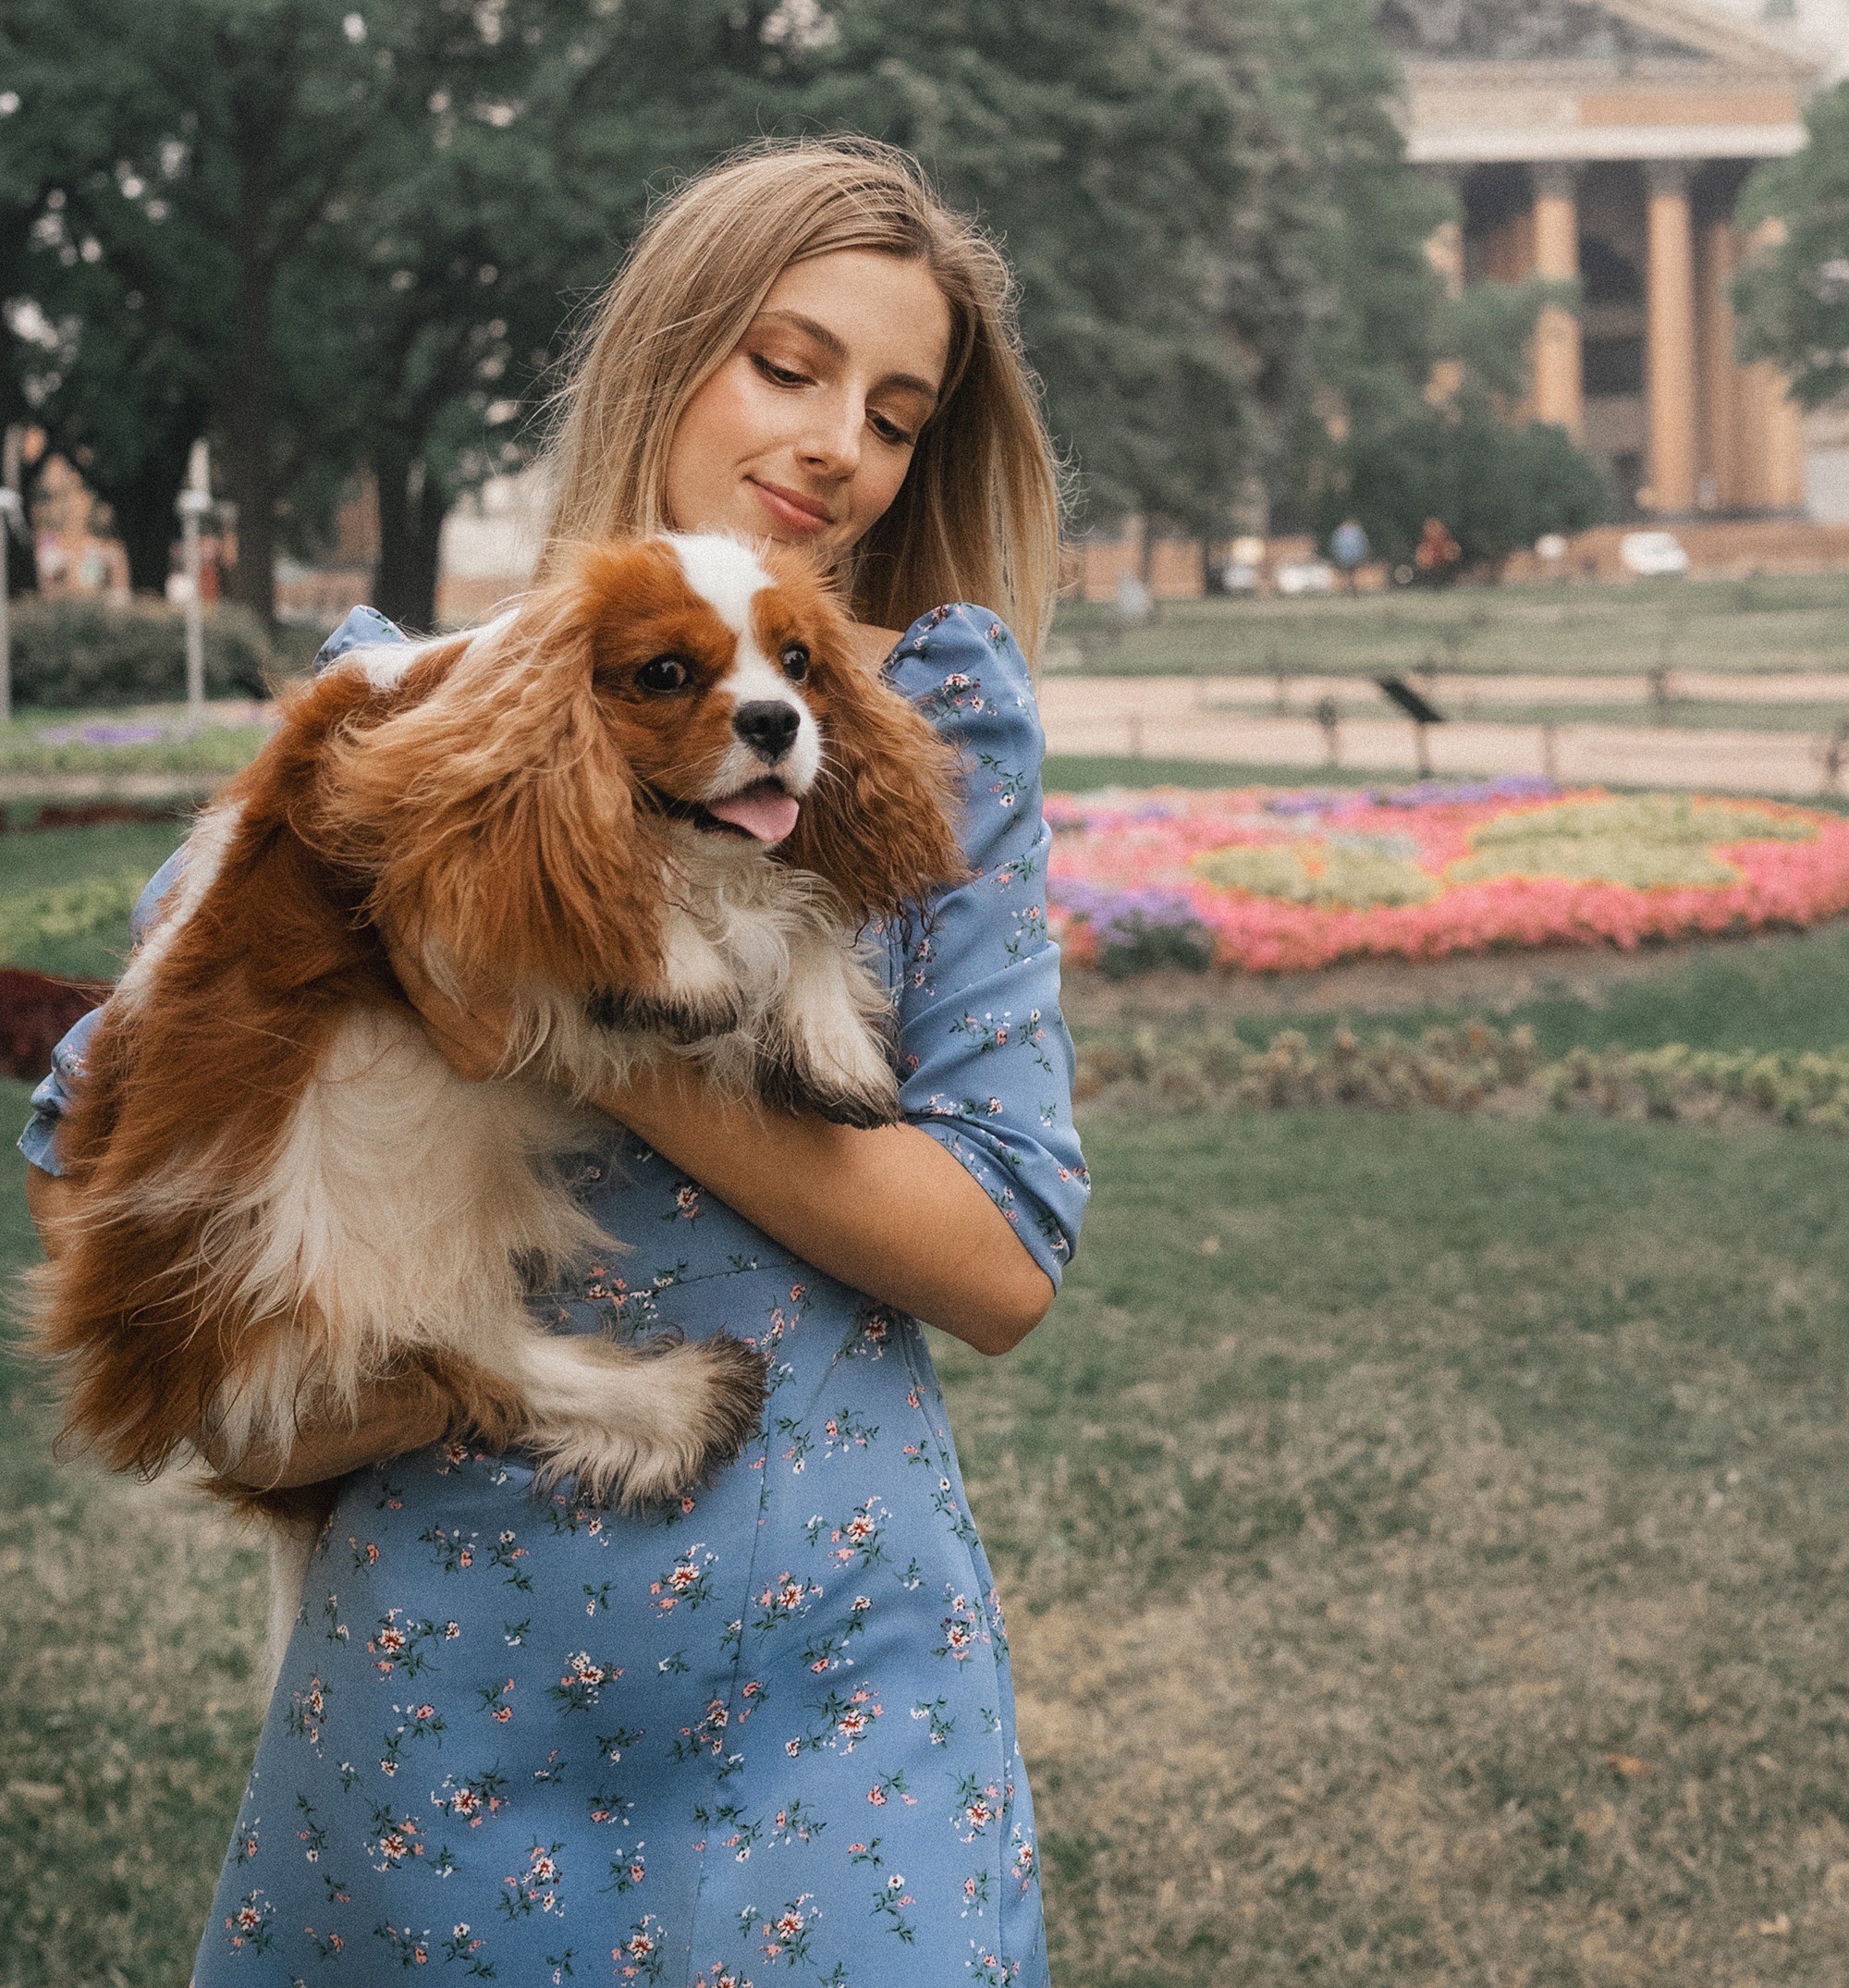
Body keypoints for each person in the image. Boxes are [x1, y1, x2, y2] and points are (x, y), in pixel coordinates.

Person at [22, 140, 1088, 1986]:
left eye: (898, 413)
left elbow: (1002, 1257)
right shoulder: (401, 707)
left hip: (832, 1667)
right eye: (787, 361)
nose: (841, 441)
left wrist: (564, 1028)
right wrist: (401, 1397)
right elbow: (92, 1146)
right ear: (670, 352)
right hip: (445, 1685)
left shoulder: (919, 721)